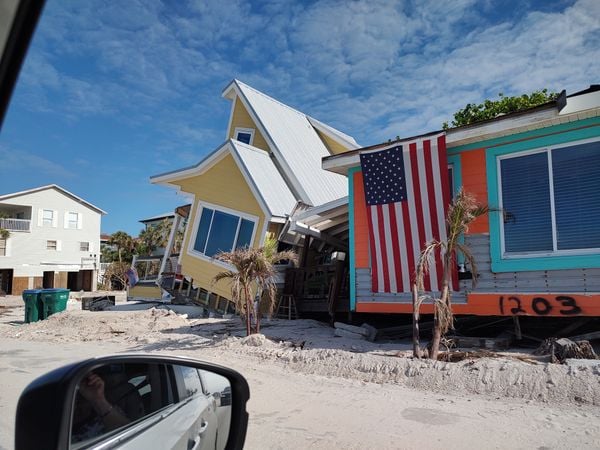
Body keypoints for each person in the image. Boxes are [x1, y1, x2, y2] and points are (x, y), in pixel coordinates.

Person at [71, 371, 143, 443]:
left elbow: (130, 437)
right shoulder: (63, 413)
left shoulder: (106, 413)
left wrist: (98, 399)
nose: (76, 404)